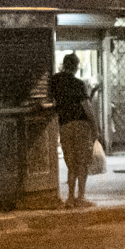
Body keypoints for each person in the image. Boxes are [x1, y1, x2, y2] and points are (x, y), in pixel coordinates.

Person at [49, 52, 96, 206]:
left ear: (63, 64)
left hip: (64, 125)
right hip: (81, 124)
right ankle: (81, 197)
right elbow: (86, 107)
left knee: (71, 163)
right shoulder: (78, 83)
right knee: (82, 162)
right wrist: (95, 126)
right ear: (76, 67)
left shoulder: (54, 81)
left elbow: (52, 102)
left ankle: (70, 198)